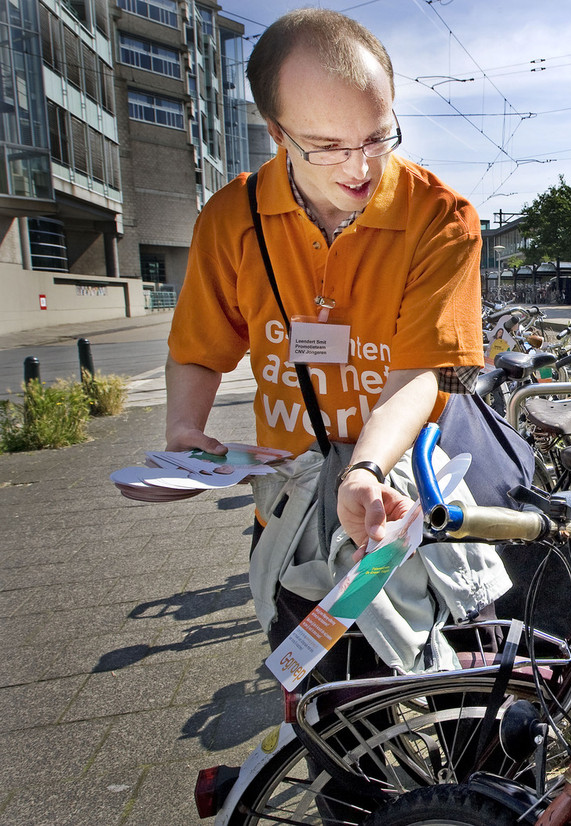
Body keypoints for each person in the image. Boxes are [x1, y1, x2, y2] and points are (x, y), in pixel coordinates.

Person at [164, 9, 505, 677]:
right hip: (295, 519)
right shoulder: (232, 220)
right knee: (336, 722)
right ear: (275, 131)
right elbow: (201, 346)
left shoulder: (438, 217)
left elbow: (416, 373)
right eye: (325, 145)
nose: (360, 166)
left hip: (412, 503)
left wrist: (366, 468)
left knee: (475, 713)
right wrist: (183, 430)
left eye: (377, 136)